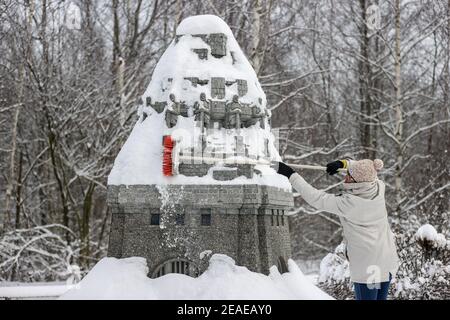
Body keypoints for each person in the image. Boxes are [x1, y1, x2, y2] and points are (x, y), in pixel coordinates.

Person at [275, 159, 400, 300]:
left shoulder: (349, 204)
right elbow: (365, 169)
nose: (345, 177)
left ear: (358, 183)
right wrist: (342, 164)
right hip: (386, 260)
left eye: (349, 177)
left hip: (369, 266)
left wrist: (291, 174)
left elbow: (316, 198)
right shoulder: (378, 187)